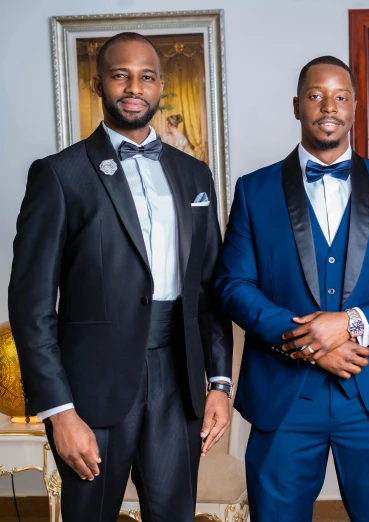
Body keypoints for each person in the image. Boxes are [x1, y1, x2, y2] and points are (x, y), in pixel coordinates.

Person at [8, 32, 233, 522]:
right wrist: (59, 412)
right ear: (98, 84)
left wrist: (219, 382)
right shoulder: (59, 175)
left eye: (146, 77)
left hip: (179, 381)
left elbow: (208, 289)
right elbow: (31, 306)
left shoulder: (195, 175)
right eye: (120, 75)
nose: (134, 87)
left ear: (160, 87)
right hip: (92, 391)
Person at [214, 55, 369, 522]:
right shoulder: (254, 191)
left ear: (355, 106)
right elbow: (232, 285)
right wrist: (309, 345)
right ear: (297, 105)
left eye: (340, 97)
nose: (328, 107)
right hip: (284, 397)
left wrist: (353, 323)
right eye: (316, 96)